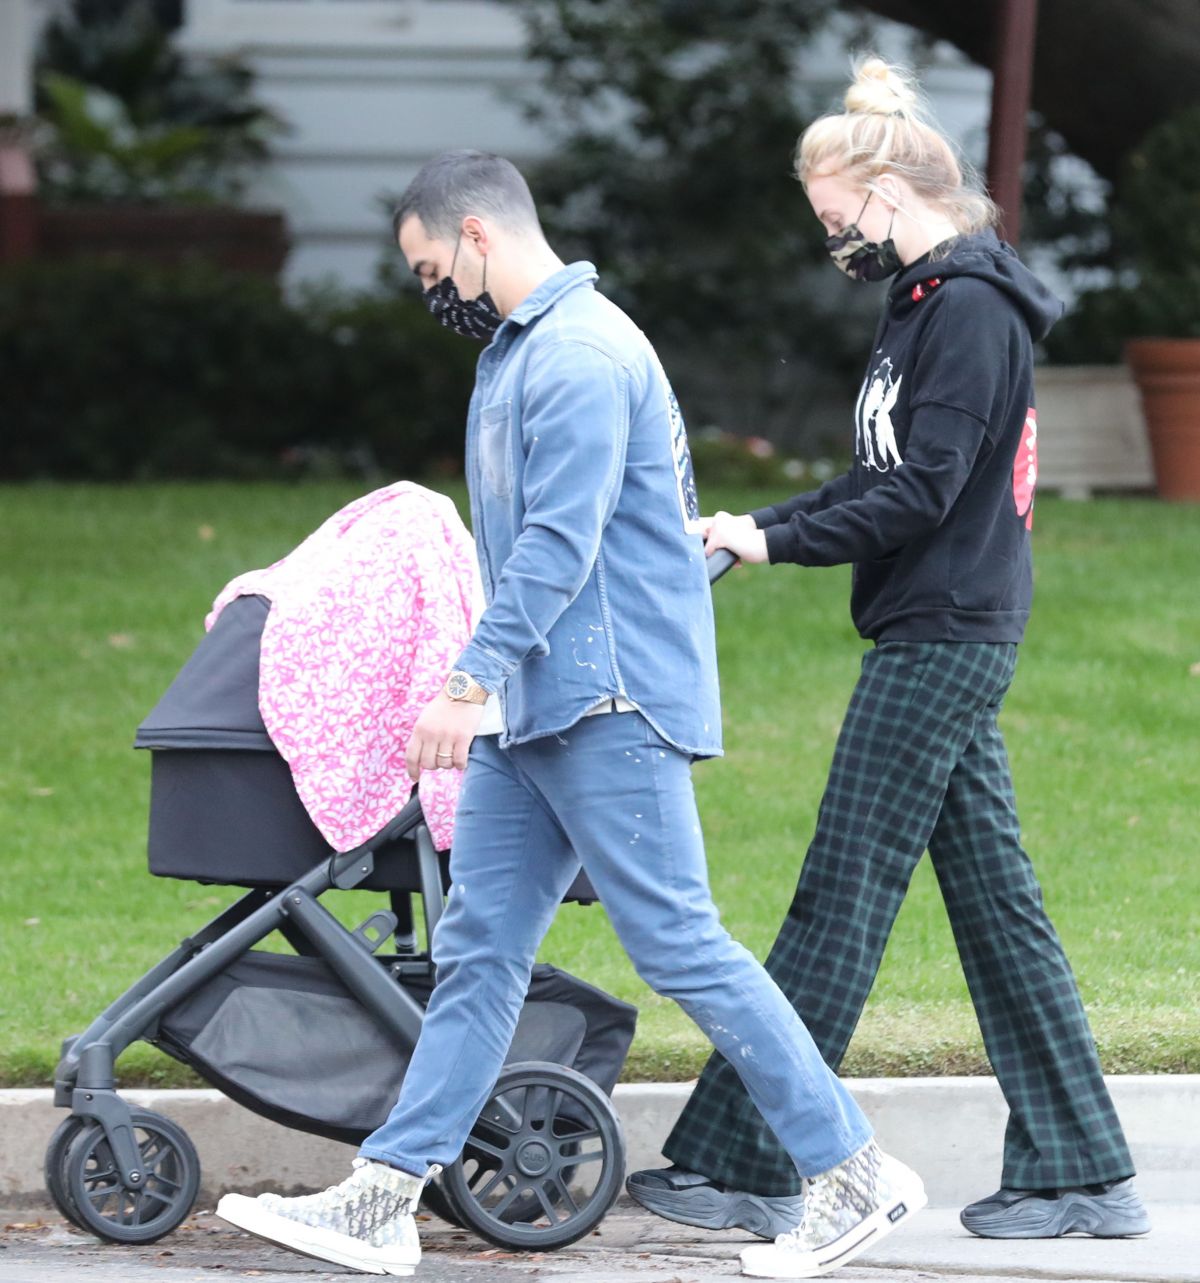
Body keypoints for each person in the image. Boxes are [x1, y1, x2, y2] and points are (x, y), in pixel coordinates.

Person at [215, 149, 926, 1280]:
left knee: (679, 942)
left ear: (477, 237)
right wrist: (497, 689)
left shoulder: (584, 353)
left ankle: (851, 1172)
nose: (428, 288)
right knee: (480, 949)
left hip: (605, 699)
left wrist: (464, 679)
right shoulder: (521, 353)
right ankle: (384, 1199)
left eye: (426, 264)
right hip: (538, 710)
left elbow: (559, 543)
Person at [625, 55, 1151, 1244]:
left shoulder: (966, 311)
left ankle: (745, 1157)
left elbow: (922, 491)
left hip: (943, 632)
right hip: (941, 625)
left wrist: (774, 543)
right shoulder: (919, 303)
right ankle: (1080, 1171)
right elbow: (878, 477)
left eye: (834, 218)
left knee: (840, 893)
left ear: (885, 193)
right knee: (996, 908)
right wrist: (756, 527)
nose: (833, 241)